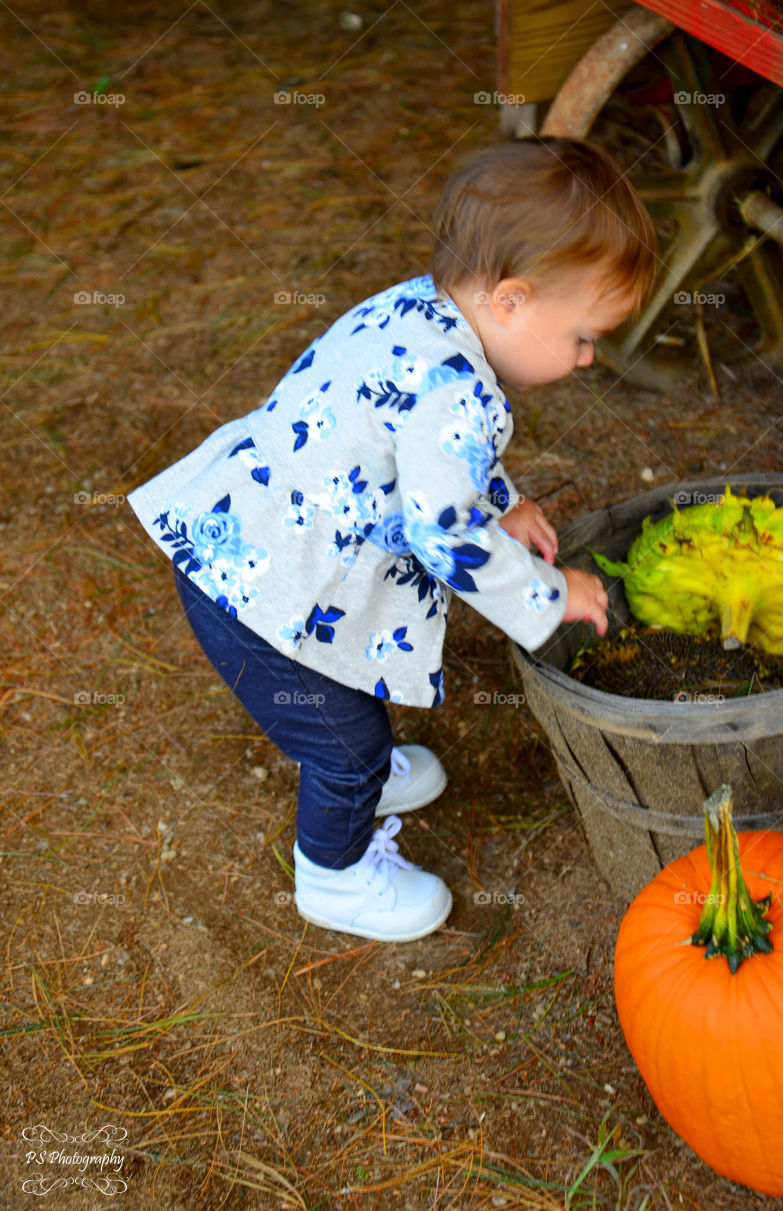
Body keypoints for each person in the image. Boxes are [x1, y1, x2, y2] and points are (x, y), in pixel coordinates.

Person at [128, 136, 657, 943]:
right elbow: (443, 532)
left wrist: (503, 501)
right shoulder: (460, 394)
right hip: (259, 597)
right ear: (510, 301)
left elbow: (420, 454)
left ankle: (358, 780)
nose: (588, 359)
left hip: (243, 539)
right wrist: (553, 593)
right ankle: (334, 876)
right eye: (584, 336)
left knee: (348, 721)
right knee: (347, 741)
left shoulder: (416, 308)